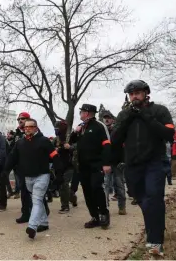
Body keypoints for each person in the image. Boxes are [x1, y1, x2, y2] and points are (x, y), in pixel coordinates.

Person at [111, 80, 175, 256]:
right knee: (140, 198)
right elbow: (115, 139)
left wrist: (146, 116)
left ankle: (155, 241)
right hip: (132, 164)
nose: (134, 97)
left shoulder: (159, 110)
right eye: (131, 94)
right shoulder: (125, 114)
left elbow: (168, 133)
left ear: (146, 93)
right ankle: (156, 222)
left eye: (137, 93)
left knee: (154, 197)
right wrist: (129, 117)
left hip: (155, 161)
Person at [5, 119, 63, 239]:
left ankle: (32, 226)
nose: (27, 129)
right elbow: (12, 157)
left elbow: (55, 157)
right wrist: (5, 171)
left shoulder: (44, 141)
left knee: (36, 200)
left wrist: (59, 174)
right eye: (25, 127)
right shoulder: (20, 142)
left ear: (36, 128)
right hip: (28, 177)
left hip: (42, 175)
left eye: (30, 126)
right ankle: (44, 223)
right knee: (38, 200)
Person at [69, 104, 112, 230]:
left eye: (81, 111)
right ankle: (94, 217)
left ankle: (104, 213)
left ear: (87, 113)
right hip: (82, 166)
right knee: (87, 191)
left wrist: (106, 163)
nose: (80, 114)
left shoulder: (99, 126)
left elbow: (107, 145)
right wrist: (75, 131)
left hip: (96, 164)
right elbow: (71, 141)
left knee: (96, 188)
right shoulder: (81, 127)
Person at [99, 110, 127, 215]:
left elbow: (124, 146)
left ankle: (122, 206)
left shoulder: (118, 130)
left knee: (119, 184)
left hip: (117, 162)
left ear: (112, 119)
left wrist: (123, 161)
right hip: (106, 162)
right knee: (105, 185)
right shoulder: (101, 131)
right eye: (105, 118)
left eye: (108, 118)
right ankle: (105, 208)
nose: (106, 119)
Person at [52, 121, 74, 214]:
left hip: (70, 165)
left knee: (64, 184)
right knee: (62, 185)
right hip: (59, 166)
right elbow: (51, 150)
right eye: (55, 129)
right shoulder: (55, 140)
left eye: (57, 129)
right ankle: (73, 198)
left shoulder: (70, 137)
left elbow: (78, 147)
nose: (56, 131)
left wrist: (70, 147)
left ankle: (65, 206)